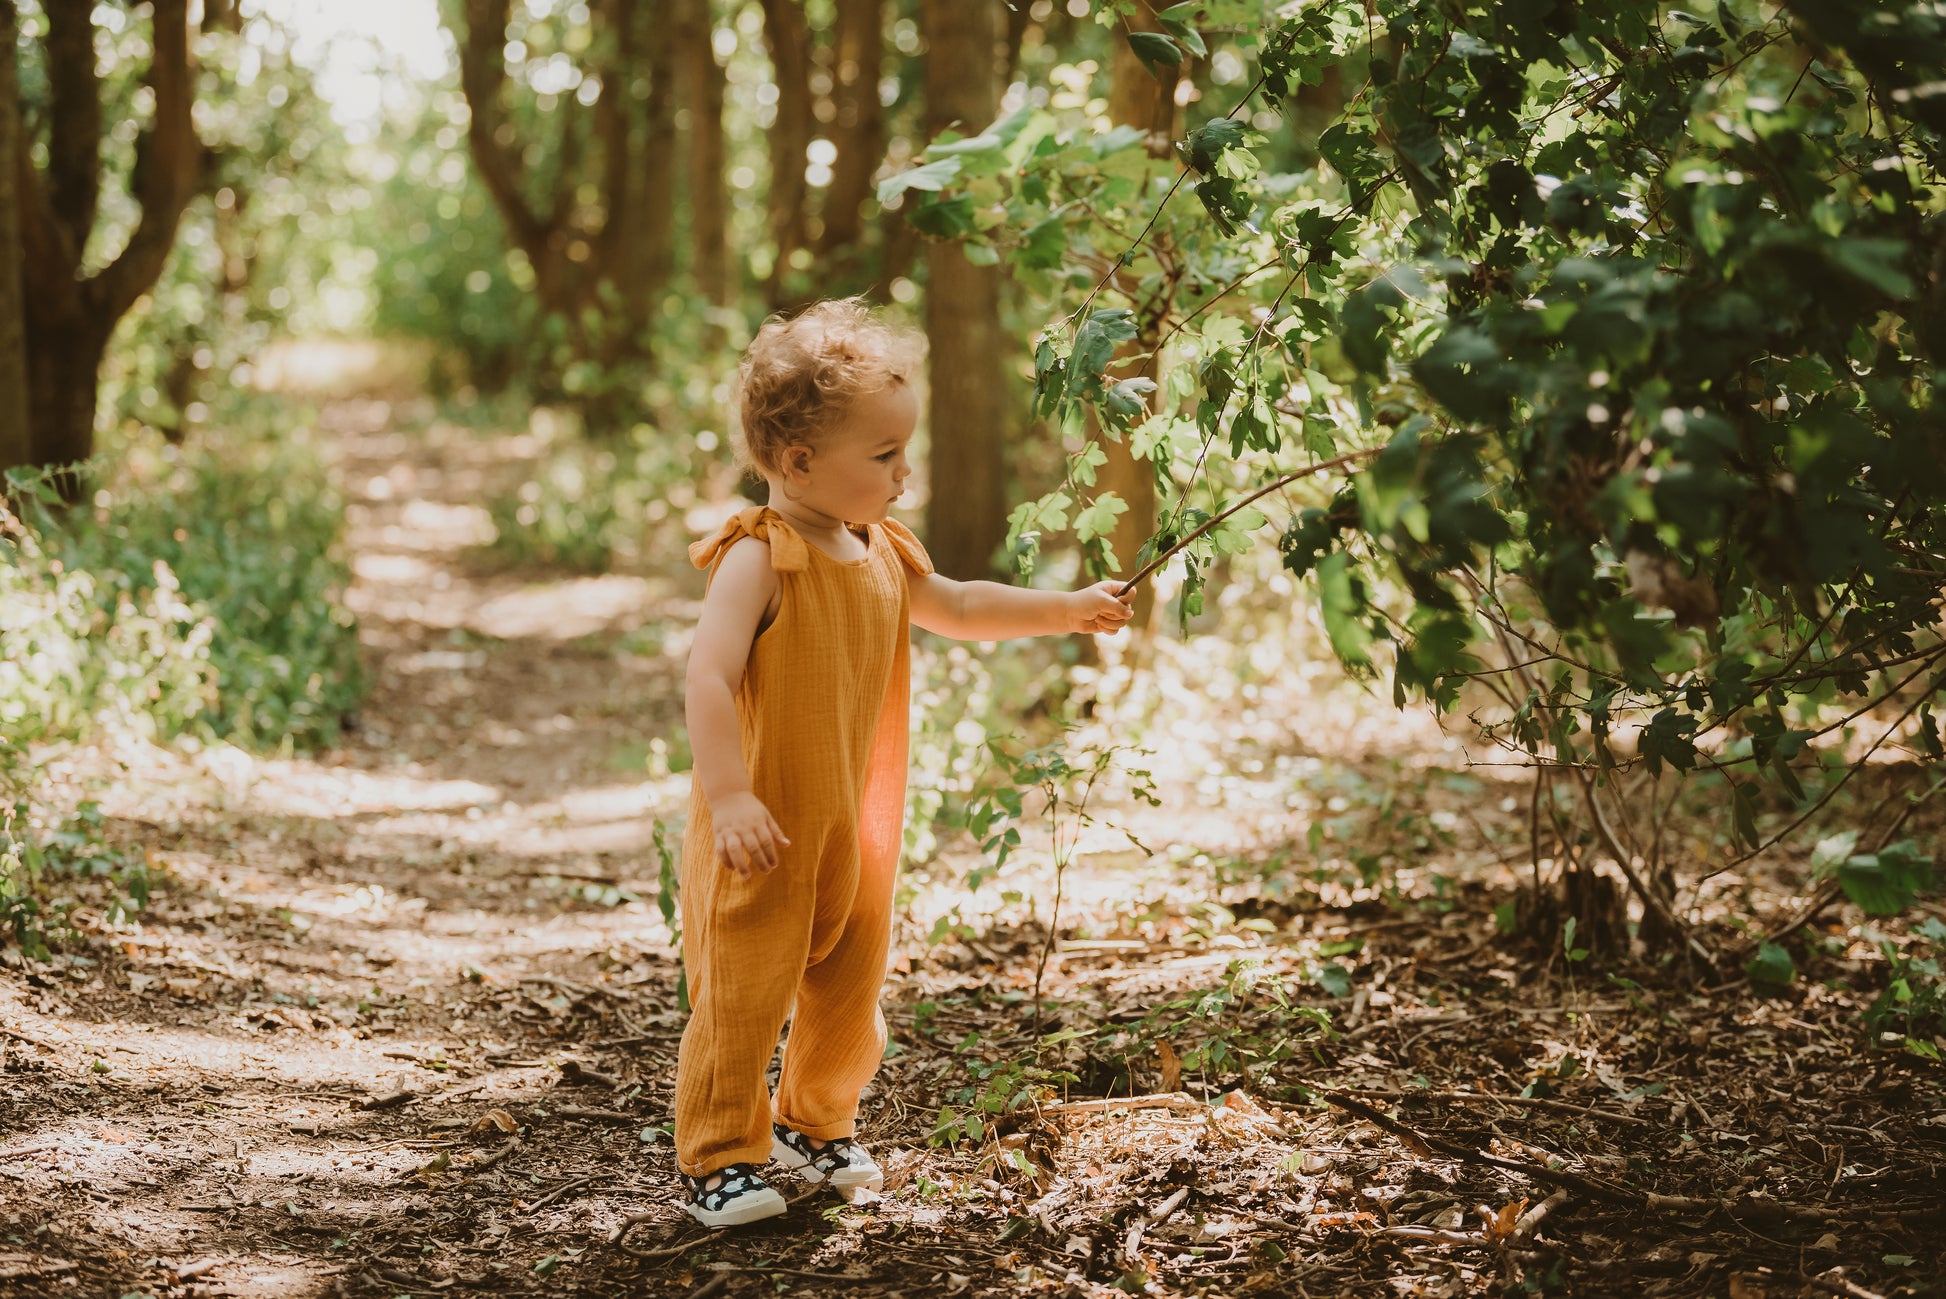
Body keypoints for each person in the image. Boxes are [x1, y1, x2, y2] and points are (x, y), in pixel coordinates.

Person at [675, 298, 1134, 1227]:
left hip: (854, 819)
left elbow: (959, 603)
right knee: (745, 993)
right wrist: (727, 795)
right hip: (759, 828)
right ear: (798, 462)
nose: (904, 471)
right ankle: (721, 1151)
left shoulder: (880, 549)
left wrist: (1067, 607)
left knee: (851, 986)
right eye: (883, 456)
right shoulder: (759, 560)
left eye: (903, 449)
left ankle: (816, 1119)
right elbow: (708, 676)